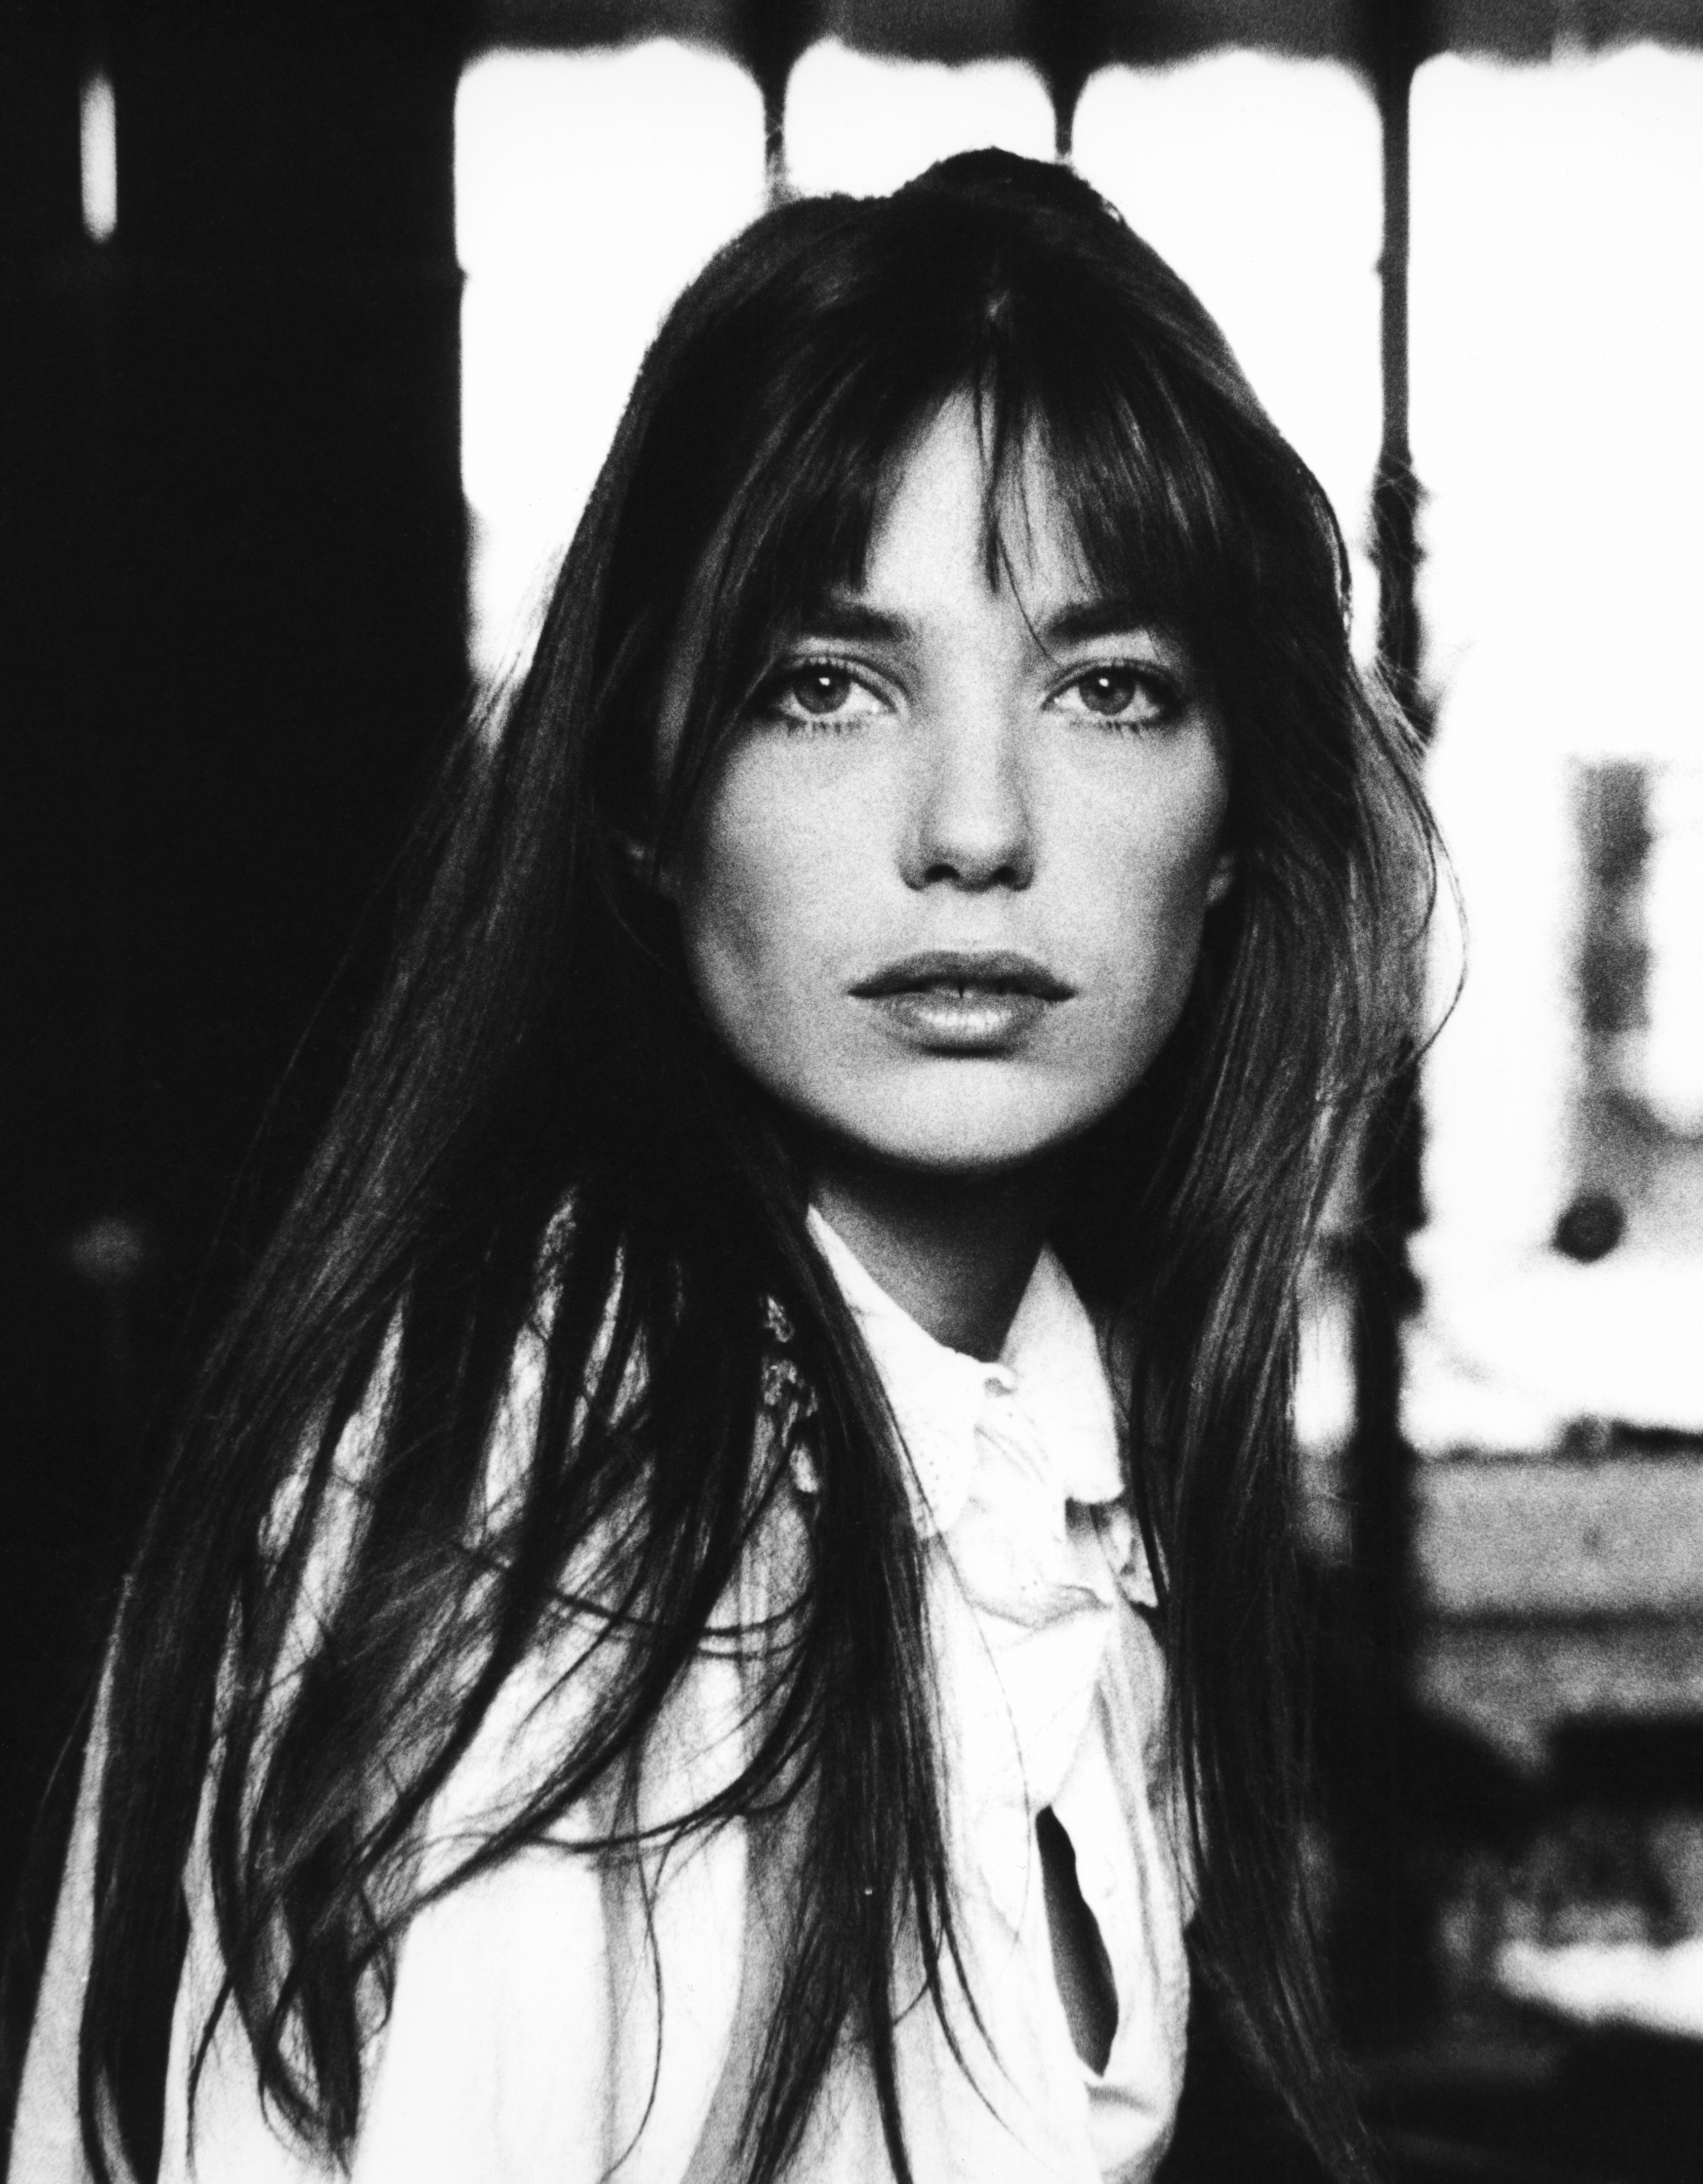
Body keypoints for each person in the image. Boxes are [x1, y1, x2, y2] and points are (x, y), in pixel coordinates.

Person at [8, 149, 1436, 2184]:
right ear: (644, 791)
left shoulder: (1033, 1470)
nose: (974, 826)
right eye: (826, 685)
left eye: (1108, 688)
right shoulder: (564, 1499)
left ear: (1237, 824)